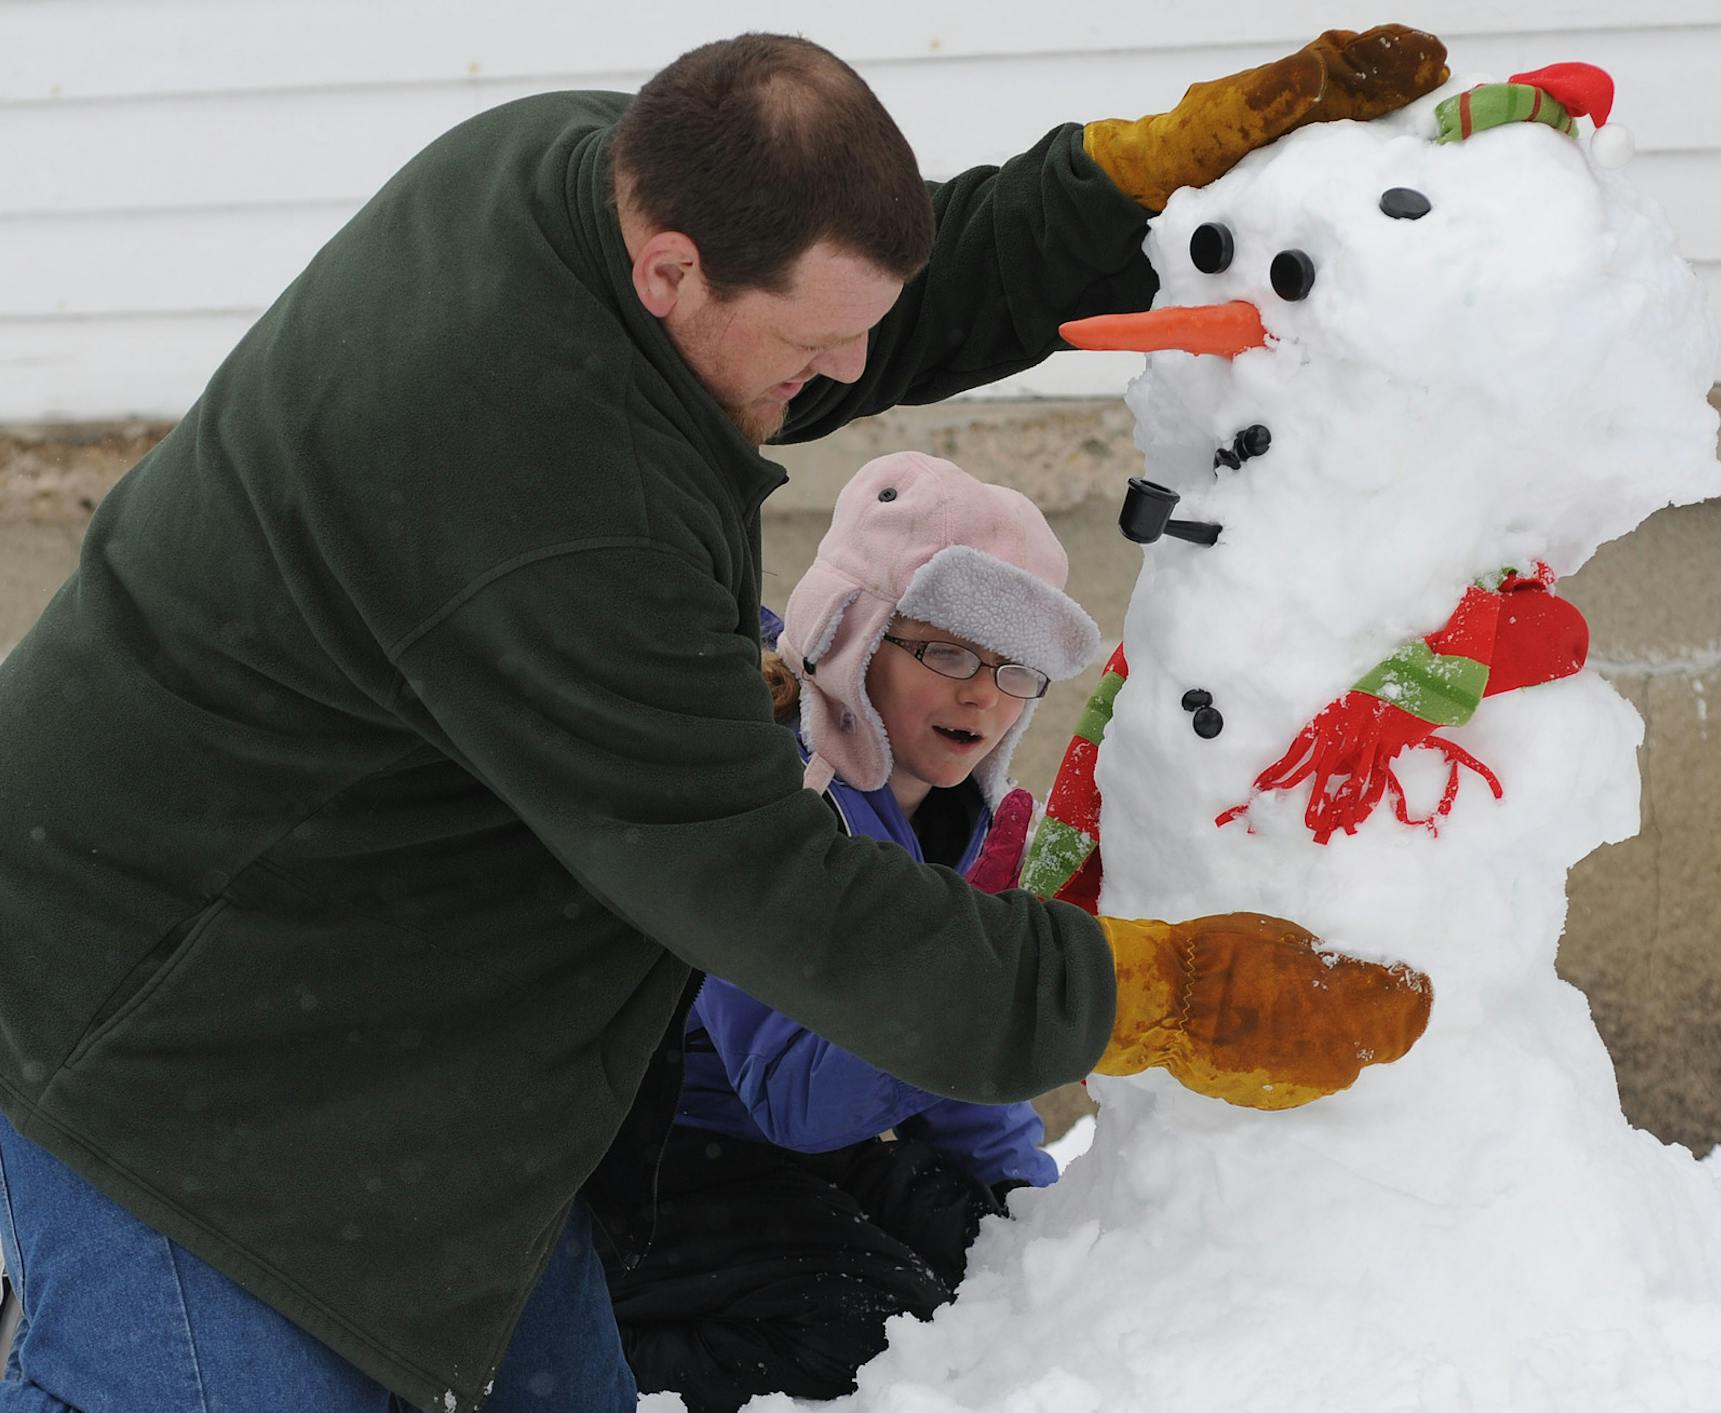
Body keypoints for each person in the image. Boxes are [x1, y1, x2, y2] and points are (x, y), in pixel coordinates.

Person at [0, 28, 1448, 1413]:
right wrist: (1164, 997)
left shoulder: (571, 172)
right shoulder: (550, 510)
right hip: (174, 1040)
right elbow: (773, 889)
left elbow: (862, 322)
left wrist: (1129, 177)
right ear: (670, 264)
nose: (834, 384)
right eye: (805, 355)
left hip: (416, 1053)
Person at [608, 452, 1096, 1410]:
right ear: (855, 633)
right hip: (663, 1158)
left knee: (995, 1272)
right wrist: (976, 983)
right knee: (864, 1328)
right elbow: (795, 1095)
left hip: (814, 1147)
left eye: (1014, 668)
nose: (982, 696)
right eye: (947, 651)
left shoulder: (947, 812)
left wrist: (1026, 1206)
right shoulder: (772, 800)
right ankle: (575, 1365)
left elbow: (953, 1079)